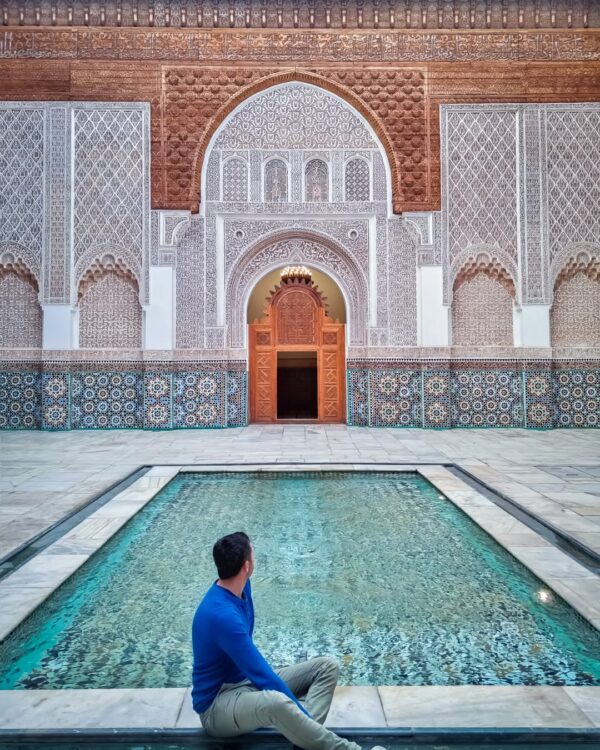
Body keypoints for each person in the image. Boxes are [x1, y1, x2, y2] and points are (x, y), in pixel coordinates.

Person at [192, 531, 384, 750]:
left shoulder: (242, 588)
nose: (256, 558)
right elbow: (262, 676)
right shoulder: (223, 616)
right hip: (216, 707)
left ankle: (305, 740)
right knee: (277, 701)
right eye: (253, 555)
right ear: (246, 566)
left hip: (244, 684)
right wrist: (304, 718)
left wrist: (302, 723)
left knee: (326, 667)